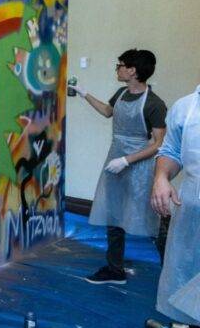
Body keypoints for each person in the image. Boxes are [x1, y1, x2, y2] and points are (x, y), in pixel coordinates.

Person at [72, 49, 167, 284]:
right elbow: (107, 111)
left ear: (132, 71)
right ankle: (115, 270)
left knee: (152, 217)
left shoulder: (154, 104)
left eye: (120, 65)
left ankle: (170, 274)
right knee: (113, 213)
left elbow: (159, 144)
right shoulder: (121, 94)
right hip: (115, 160)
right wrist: (83, 93)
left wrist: (127, 160)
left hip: (140, 166)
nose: (117, 69)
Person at [151, 85, 200, 328]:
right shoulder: (186, 107)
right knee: (190, 280)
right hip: (193, 210)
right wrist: (161, 177)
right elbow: (171, 151)